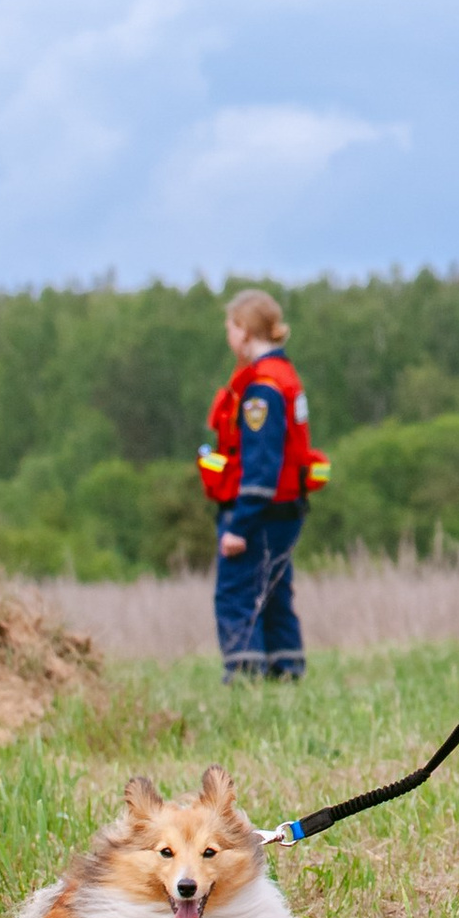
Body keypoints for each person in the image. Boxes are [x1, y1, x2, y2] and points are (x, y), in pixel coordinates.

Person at [199, 288, 321, 680]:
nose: (228, 337)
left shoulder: (261, 390)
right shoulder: (286, 377)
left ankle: (246, 676)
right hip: (287, 508)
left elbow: (262, 464)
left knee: (238, 594)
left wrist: (240, 526)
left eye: (230, 327)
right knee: (274, 595)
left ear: (245, 331)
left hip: (260, 512)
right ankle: (286, 670)